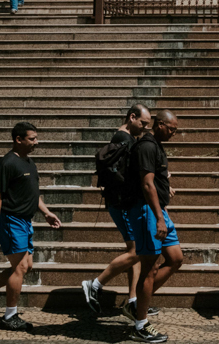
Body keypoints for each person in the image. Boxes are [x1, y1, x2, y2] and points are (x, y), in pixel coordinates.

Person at [0, 122, 62, 332]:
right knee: (19, 268)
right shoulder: (7, 163)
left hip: (26, 221)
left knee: (27, 266)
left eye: (36, 138)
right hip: (11, 220)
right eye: (32, 139)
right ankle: (9, 316)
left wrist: (46, 212)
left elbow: (33, 194)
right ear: (18, 140)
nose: (37, 142)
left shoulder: (29, 163)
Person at [81, 104, 156, 319]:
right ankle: (94, 284)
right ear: (131, 117)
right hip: (123, 204)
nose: (143, 128)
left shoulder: (126, 139)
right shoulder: (123, 140)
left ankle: (133, 300)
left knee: (136, 253)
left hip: (122, 203)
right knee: (137, 252)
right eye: (142, 123)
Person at [126, 110, 183, 343]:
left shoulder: (156, 146)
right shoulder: (147, 147)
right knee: (149, 267)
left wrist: (163, 213)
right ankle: (140, 325)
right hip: (148, 212)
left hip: (159, 211)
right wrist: (159, 217)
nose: (173, 133)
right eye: (171, 129)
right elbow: (147, 184)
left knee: (176, 258)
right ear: (159, 125)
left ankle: (138, 304)